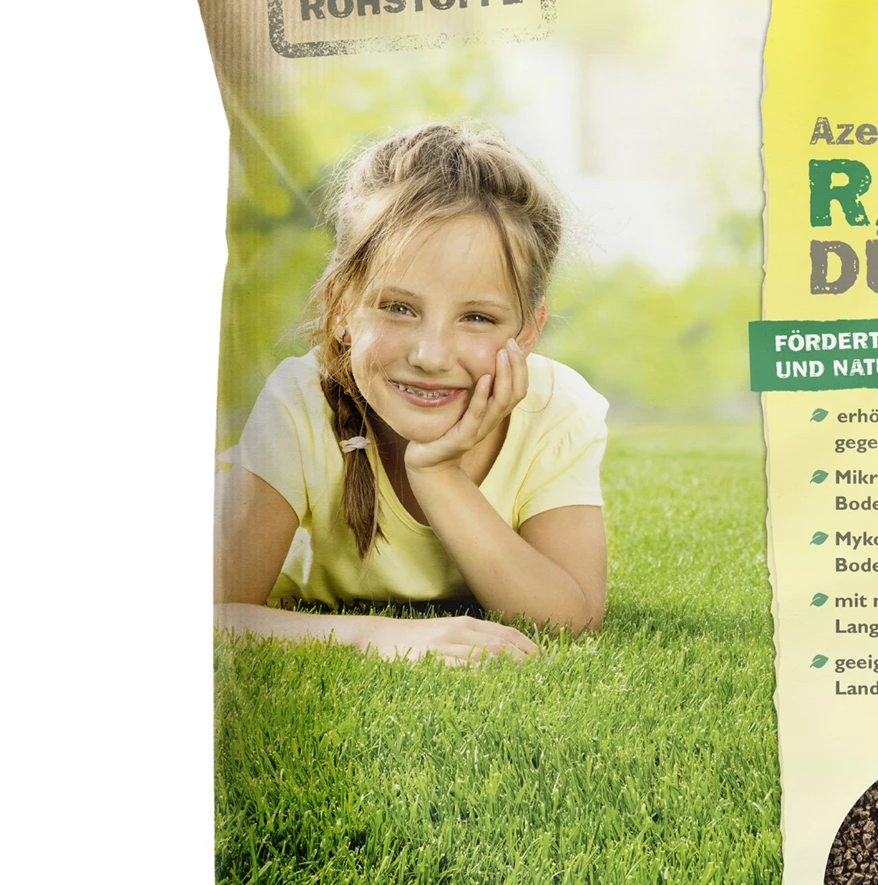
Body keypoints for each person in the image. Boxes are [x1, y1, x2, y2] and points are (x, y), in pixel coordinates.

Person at [216, 124, 607, 666]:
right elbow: (213, 614)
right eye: (398, 308)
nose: (430, 355)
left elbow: (570, 622)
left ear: (527, 332)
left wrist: (437, 471)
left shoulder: (555, 409)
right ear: (341, 307)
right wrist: (375, 636)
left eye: (477, 317)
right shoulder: (300, 404)